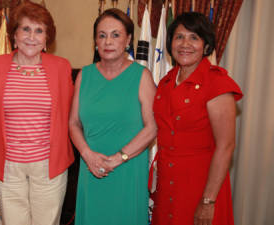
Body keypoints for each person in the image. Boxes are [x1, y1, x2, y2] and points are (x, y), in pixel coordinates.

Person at [0, 2, 74, 225]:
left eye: (39, 30)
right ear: (14, 34)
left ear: (47, 37)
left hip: (49, 165)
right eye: (26, 29)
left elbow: (72, 111)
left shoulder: (61, 67)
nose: (32, 36)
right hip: (8, 166)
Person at [151, 12, 243, 225]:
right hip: (167, 186)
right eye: (179, 37)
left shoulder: (217, 83)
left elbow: (226, 146)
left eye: (194, 37)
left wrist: (208, 201)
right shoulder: (164, 83)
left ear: (206, 45)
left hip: (201, 186)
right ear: (170, 42)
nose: (185, 44)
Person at [69, 8, 157, 225]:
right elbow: (73, 123)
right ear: (95, 42)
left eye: (115, 35)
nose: (108, 41)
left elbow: (152, 127)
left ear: (128, 40)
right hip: (91, 169)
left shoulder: (141, 76)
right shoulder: (84, 75)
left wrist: (118, 158)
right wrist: (88, 155)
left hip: (127, 169)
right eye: (102, 35)